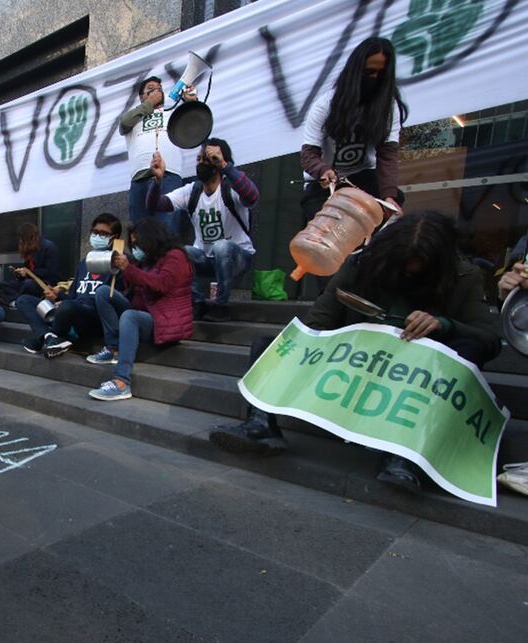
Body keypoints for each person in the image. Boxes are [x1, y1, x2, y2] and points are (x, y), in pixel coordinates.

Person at [210, 212, 501, 491]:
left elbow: (489, 340)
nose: (410, 272)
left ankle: (406, 454)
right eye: (403, 265)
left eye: (420, 267)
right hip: (357, 361)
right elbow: (318, 321)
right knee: (275, 344)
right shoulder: (362, 264)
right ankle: (261, 423)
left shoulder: (464, 276)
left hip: (416, 373)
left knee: (469, 348)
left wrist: (444, 325)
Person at [300, 37, 408, 239]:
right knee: (322, 236)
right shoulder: (325, 105)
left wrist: (389, 196)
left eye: (380, 74)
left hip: (364, 178)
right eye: (369, 72)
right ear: (356, 72)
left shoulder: (388, 108)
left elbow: (387, 155)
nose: (374, 78)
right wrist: (323, 170)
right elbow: (308, 154)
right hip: (325, 184)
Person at [148, 137, 259, 321]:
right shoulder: (192, 191)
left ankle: (221, 306)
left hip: (237, 258)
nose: (201, 163)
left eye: (207, 159)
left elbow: (253, 197)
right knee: (178, 252)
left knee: (221, 246)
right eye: (199, 159)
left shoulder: (231, 187)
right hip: (207, 259)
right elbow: (156, 205)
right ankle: (197, 302)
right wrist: (157, 182)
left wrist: (226, 166)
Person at [87, 219, 193, 400]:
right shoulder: (147, 259)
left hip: (165, 321)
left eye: (138, 243)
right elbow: (135, 286)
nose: (136, 248)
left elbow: (161, 284)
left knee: (130, 316)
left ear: (151, 240)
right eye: (133, 244)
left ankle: (121, 381)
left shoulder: (175, 257)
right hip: (146, 313)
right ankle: (113, 348)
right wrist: (121, 268)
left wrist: (129, 268)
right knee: (104, 292)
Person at [18, 214, 122, 357]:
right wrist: (57, 295)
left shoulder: (118, 267)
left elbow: (115, 303)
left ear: (114, 237)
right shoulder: (84, 262)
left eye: (103, 234)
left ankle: (46, 339)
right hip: (72, 310)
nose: (97, 236)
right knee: (24, 300)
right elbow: (72, 297)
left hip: (92, 319)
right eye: (95, 232)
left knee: (67, 307)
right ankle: (49, 337)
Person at [118, 76, 196, 233]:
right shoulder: (135, 117)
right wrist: (149, 103)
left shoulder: (172, 111)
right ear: (142, 97)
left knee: (167, 230)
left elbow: (195, 124)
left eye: (159, 88)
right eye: (151, 89)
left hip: (169, 176)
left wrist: (191, 102)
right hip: (140, 179)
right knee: (140, 233)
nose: (157, 91)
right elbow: (124, 123)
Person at [10, 223, 59, 300]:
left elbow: (51, 272)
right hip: (31, 280)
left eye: (22, 239)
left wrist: (28, 273)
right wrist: (20, 274)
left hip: (46, 282)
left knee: (28, 285)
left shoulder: (49, 247)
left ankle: (17, 300)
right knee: (8, 285)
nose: (20, 241)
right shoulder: (30, 249)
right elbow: (27, 269)